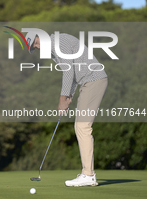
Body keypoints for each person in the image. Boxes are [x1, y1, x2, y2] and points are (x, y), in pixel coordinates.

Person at [25, 31, 108, 187]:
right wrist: (69, 95)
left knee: (82, 126)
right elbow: (74, 73)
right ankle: (88, 174)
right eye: (35, 46)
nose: (37, 46)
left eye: (36, 42)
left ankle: (88, 174)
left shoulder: (58, 41)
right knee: (81, 126)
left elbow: (68, 71)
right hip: (87, 82)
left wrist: (62, 99)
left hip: (93, 80)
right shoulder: (53, 50)